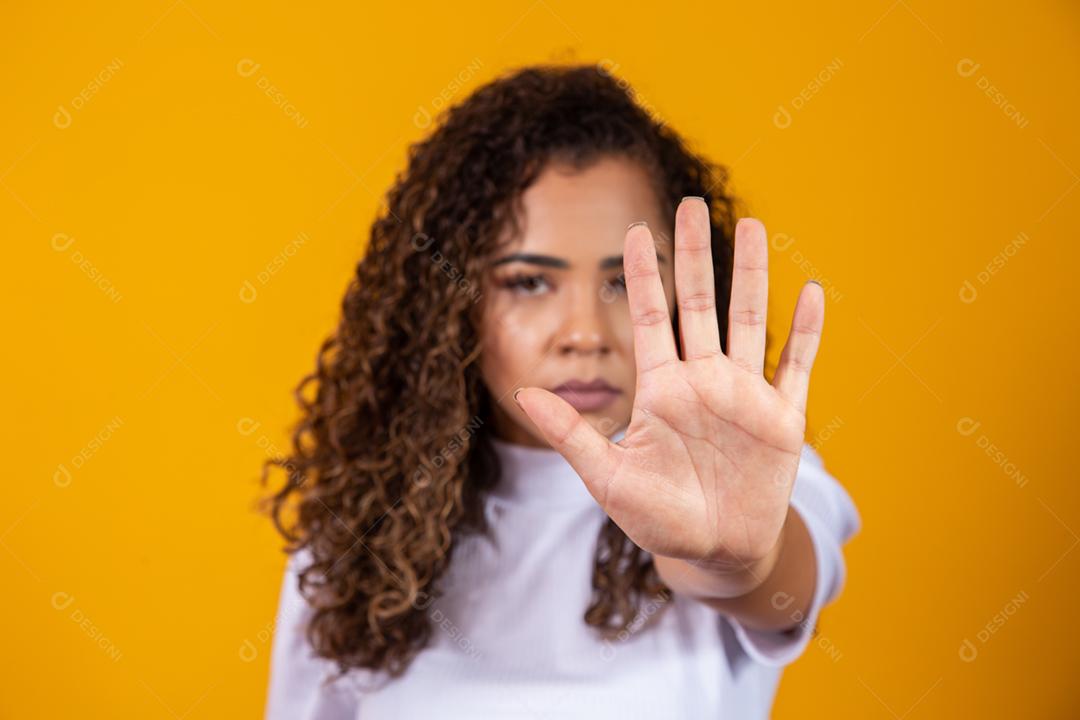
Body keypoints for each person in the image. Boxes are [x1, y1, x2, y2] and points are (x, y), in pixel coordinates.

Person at [261, 63, 861, 719]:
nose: (583, 334)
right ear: (447, 304)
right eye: (527, 282)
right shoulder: (356, 527)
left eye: (626, 282)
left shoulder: (752, 477)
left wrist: (733, 559)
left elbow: (772, 583)